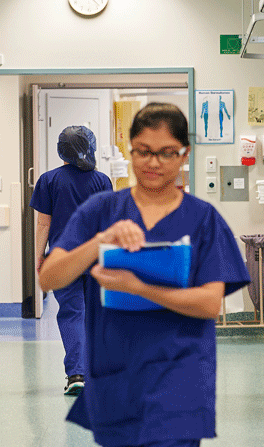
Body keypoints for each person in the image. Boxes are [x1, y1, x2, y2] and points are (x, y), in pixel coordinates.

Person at [38, 103, 250, 447]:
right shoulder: (102, 210)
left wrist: (138, 288)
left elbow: (210, 304)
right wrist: (101, 240)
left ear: (184, 154)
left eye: (166, 153)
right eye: (143, 151)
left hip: (179, 375)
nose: (153, 162)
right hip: (116, 376)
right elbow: (49, 278)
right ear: (130, 150)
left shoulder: (203, 219)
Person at [30, 126, 113, 395]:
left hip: (63, 259)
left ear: (61, 150)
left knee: (72, 314)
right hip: (94, 257)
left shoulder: (48, 180)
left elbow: (43, 224)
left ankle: (76, 374)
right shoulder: (102, 181)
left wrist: (39, 257)